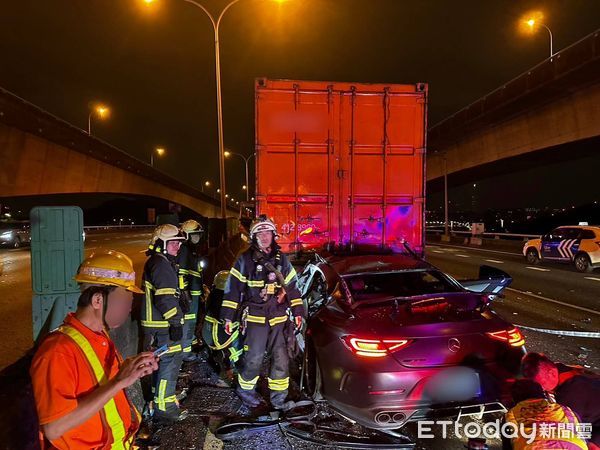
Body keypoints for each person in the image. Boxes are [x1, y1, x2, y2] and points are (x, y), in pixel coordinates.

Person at [30, 250, 158, 449]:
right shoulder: (57, 352)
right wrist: (119, 381)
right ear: (98, 300)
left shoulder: (99, 336)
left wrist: (131, 368)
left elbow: (99, 384)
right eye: (124, 301)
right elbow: (54, 428)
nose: (128, 309)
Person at [220, 216, 305, 411]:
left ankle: (279, 399)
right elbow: (233, 289)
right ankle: (246, 392)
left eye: (267, 233)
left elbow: (292, 287)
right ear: (253, 236)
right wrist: (228, 316)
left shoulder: (281, 259)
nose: (264, 237)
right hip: (255, 318)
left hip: (278, 318)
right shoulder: (244, 260)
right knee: (253, 358)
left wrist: (298, 311)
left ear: (273, 235)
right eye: (260, 233)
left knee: (281, 360)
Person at [141, 224, 188, 424]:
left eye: (179, 242)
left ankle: (157, 398)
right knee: (169, 363)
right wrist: (176, 323)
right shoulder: (161, 264)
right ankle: (165, 408)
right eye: (173, 243)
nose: (178, 246)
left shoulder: (159, 262)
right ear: (161, 244)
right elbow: (165, 299)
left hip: (157, 325)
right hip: (163, 325)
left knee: (160, 365)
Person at [522, 352, 600, 449]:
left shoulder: (571, 394)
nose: (541, 390)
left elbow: (570, 432)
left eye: (541, 385)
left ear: (551, 373)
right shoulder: (561, 369)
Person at [505, 379, 587, 450]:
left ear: (514, 399)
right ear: (544, 394)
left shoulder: (512, 413)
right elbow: (580, 432)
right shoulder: (564, 409)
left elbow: (508, 443)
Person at [202, 270, 243, 377]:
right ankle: (234, 365)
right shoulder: (227, 300)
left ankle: (219, 358)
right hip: (221, 338)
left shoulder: (212, 296)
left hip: (208, 336)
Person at [177, 219, 207, 362]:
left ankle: (189, 344)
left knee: (191, 323)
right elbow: (181, 274)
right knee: (188, 323)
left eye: (198, 235)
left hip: (194, 294)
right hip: (189, 297)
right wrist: (185, 293)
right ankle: (185, 353)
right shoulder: (184, 250)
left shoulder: (191, 250)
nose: (197, 238)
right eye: (194, 235)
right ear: (186, 235)